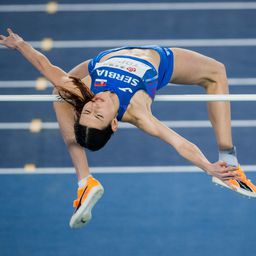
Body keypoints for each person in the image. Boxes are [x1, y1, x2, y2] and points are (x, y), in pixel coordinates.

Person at [1, 28, 256, 229]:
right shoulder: (138, 112)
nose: (94, 104)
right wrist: (208, 166)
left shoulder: (86, 91)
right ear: (114, 122)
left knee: (60, 91)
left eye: (87, 110)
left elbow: (46, 67)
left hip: (102, 59)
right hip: (160, 60)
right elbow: (179, 143)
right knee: (216, 72)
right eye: (98, 113)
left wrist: (21, 45)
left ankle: (84, 182)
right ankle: (229, 162)